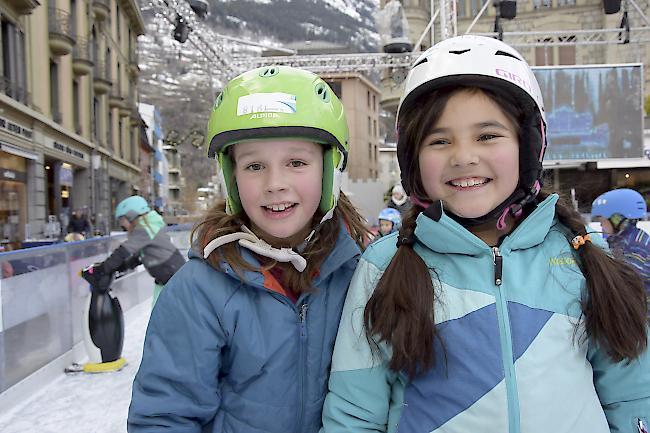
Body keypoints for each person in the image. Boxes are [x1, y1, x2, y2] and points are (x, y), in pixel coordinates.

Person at [321, 35, 650, 433]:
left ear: (528, 145)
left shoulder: (583, 254)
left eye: (487, 136)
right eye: (440, 141)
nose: (463, 157)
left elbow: (632, 395)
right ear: (413, 159)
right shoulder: (385, 266)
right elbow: (355, 413)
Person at [127, 66, 369, 433]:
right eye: (254, 166)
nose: (275, 184)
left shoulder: (362, 274)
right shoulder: (199, 290)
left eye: (297, 162)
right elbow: (165, 416)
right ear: (232, 177)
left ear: (328, 170)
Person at [92, 195, 185, 306]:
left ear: (131, 215)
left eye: (122, 219)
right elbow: (138, 257)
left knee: (168, 315)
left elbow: (123, 251)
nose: (121, 224)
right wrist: (120, 267)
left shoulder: (144, 229)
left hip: (173, 277)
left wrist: (103, 269)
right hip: (166, 278)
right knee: (158, 313)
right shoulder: (147, 227)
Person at [592, 188, 650, 313]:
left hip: (642, 316)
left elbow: (624, 280)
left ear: (617, 219)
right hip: (630, 311)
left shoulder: (637, 244)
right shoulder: (617, 240)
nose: (601, 225)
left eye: (602, 220)